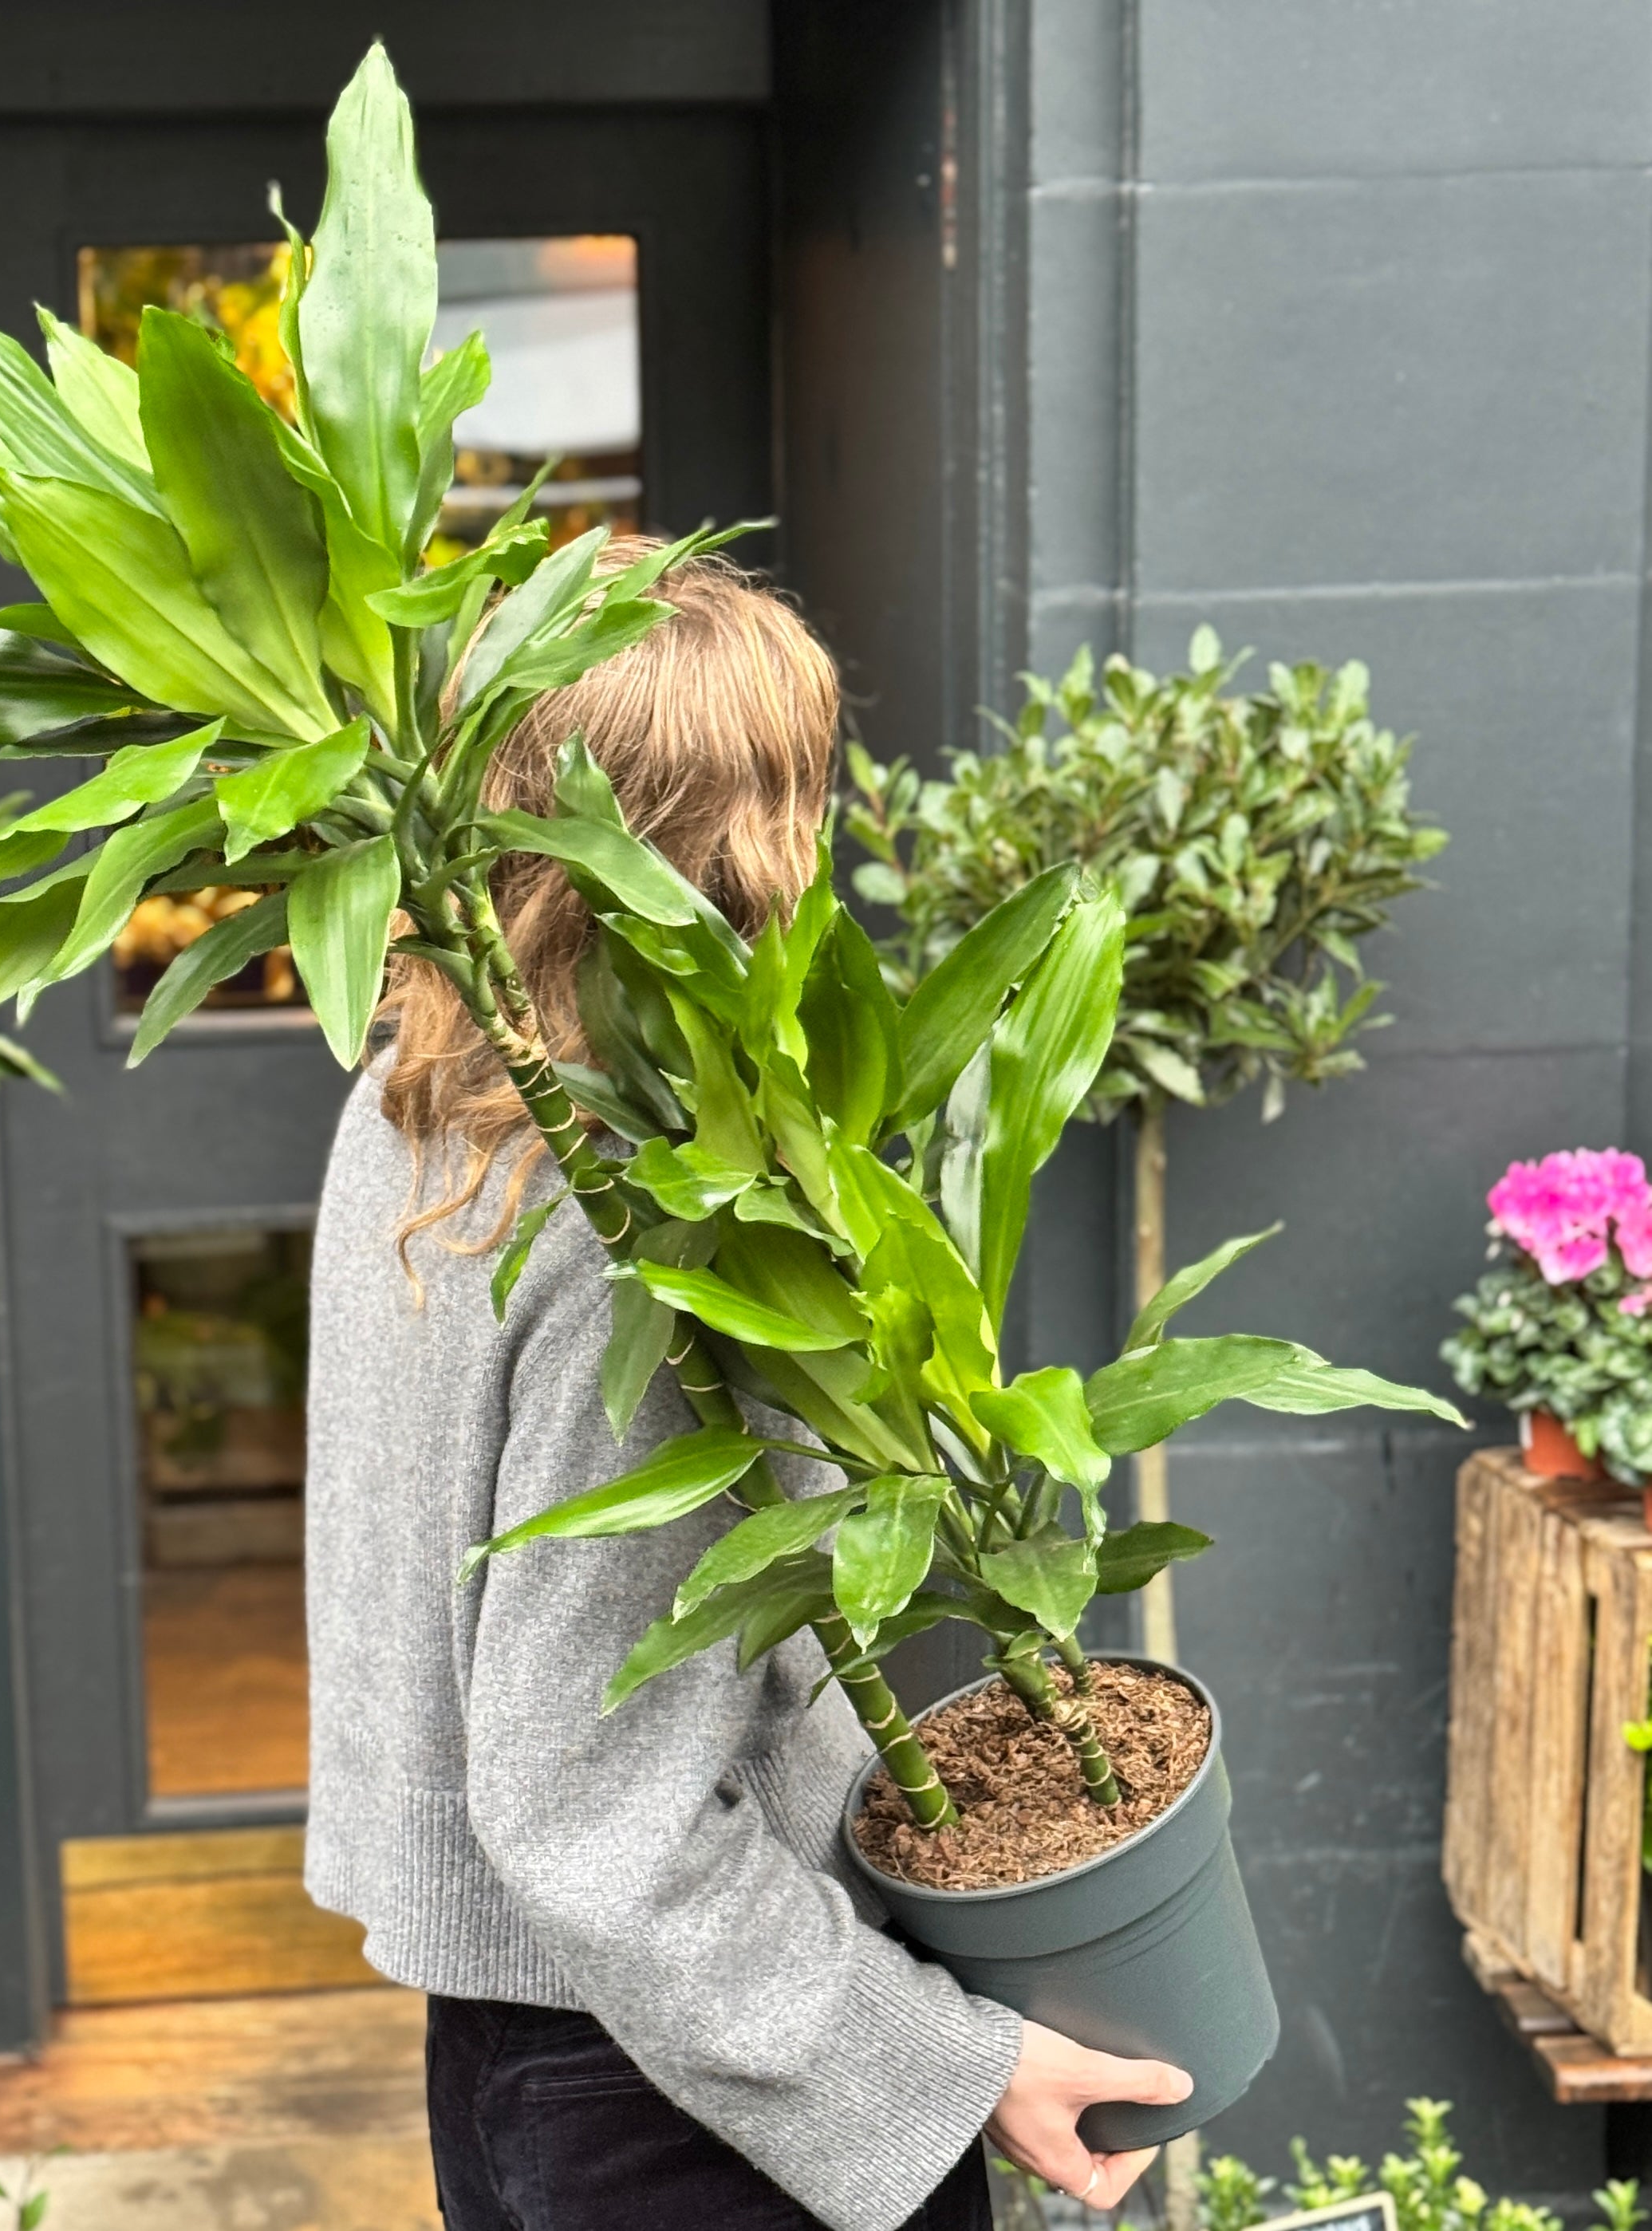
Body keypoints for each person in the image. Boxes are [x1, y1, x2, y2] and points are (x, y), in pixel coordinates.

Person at [304, 544, 1189, 2231]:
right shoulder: (645, 1232)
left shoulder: (425, 1095)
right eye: (795, 790)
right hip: (692, 2080)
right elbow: (597, 1821)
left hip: (527, 2043)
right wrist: (949, 2066)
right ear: (730, 846)